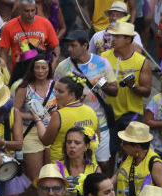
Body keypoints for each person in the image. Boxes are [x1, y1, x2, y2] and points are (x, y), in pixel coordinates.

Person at [54, 29, 116, 174]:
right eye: (68, 46)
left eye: (73, 45)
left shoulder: (102, 63)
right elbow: (55, 96)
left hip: (99, 123)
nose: (69, 49)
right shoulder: (63, 67)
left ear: (85, 46)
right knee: (76, 165)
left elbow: (115, 91)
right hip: (73, 125)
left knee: (103, 164)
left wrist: (99, 82)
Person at [101, 20, 153, 155]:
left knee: (131, 156)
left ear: (128, 39)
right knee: (108, 154)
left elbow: (147, 92)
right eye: (113, 36)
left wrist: (133, 86)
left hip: (131, 115)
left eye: (117, 36)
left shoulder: (142, 61)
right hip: (109, 113)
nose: (113, 39)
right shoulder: (103, 57)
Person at [38, 75, 99, 164]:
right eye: (56, 90)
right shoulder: (91, 111)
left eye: (60, 91)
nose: (56, 94)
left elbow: (45, 141)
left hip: (62, 166)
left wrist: (37, 120)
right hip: (86, 164)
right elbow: (97, 139)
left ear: (72, 95)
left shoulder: (59, 115)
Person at [115, 121, 162, 196]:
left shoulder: (155, 164)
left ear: (136, 146)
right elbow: (117, 175)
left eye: (124, 143)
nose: (121, 145)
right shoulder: (128, 156)